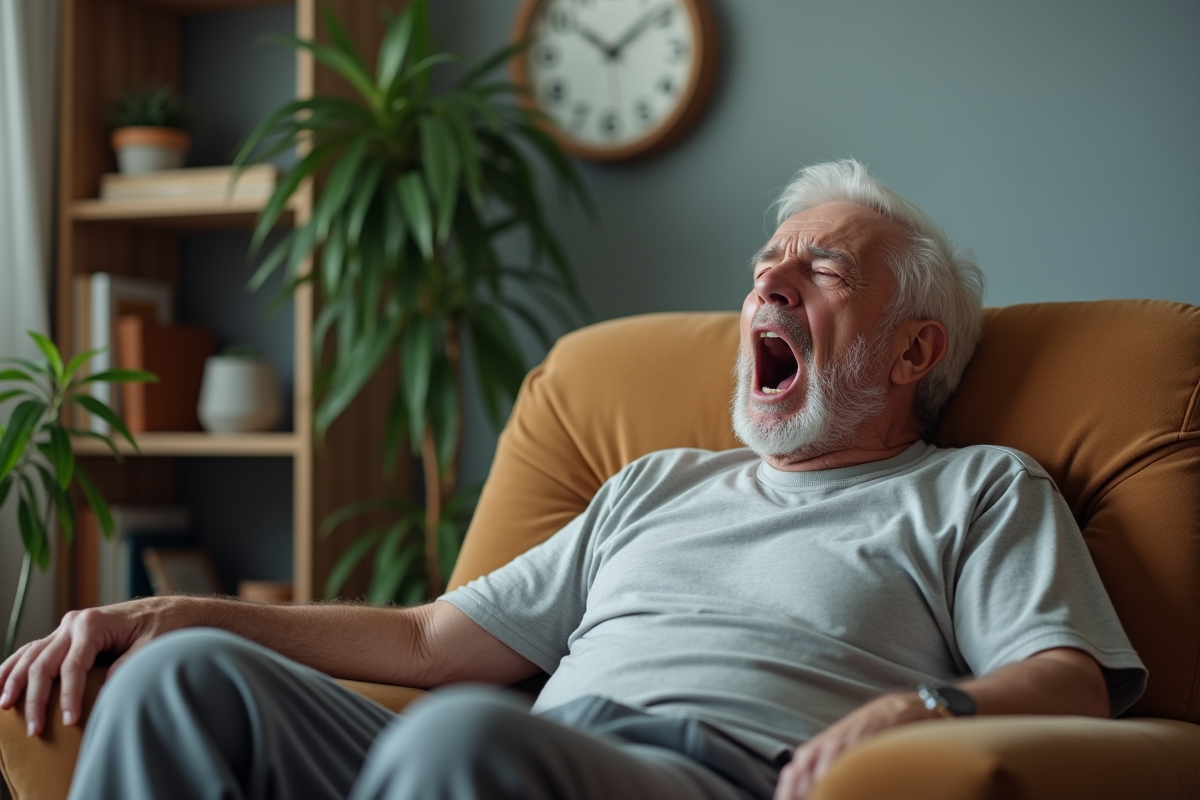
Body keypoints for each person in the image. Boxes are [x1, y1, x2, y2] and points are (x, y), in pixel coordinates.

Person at [0, 160, 1145, 800]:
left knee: (453, 749)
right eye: (767, 262)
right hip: (527, 750)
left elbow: (1070, 679)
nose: (770, 281)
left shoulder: (978, 489)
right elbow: (433, 644)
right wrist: (167, 608)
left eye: (824, 265)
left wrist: (923, 707)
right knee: (183, 676)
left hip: (715, 775)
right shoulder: (654, 482)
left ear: (912, 353)